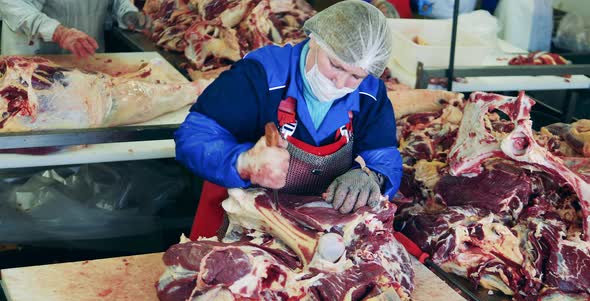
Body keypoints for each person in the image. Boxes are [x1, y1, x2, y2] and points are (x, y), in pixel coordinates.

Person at [175, 0, 403, 240]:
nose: (340, 83)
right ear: (316, 39)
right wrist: (243, 162)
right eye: (335, 65)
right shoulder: (261, 74)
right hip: (241, 226)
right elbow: (193, 136)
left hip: (315, 233)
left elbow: (385, 157)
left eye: (355, 76)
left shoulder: (370, 93)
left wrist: (372, 177)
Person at [0, 0, 150, 57]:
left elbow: (116, 2)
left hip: (85, 57)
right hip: (34, 61)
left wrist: (127, 13)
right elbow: (13, 5)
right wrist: (59, 33)